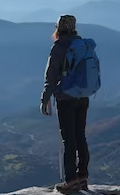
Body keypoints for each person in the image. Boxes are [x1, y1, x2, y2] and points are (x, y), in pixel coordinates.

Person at [40, 14, 90, 194]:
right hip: (83, 96)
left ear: (58, 28)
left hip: (65, 99)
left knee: (68, 139)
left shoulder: (59, 47)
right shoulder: (82, 45)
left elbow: (51, 76)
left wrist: (45, 99)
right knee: (80, 136)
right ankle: (83, 177)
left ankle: (70, 181)